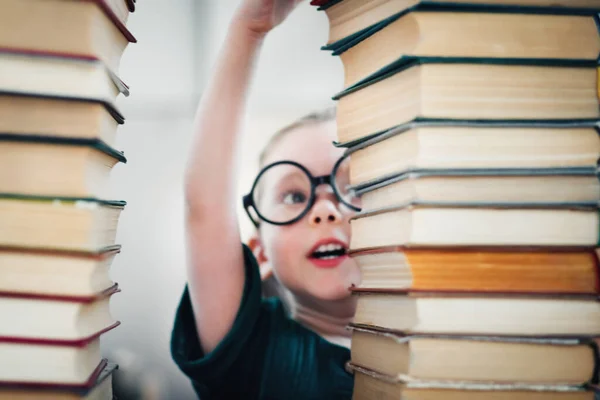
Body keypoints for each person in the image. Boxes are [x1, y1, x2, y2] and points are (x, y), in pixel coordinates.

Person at [170, 1, 361, 398]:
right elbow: (204, 207)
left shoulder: (446, 341)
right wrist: (248, 30)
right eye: (294, 195)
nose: (327, 210)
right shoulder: (252, 353)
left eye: (354, 186)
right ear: (260, 254)